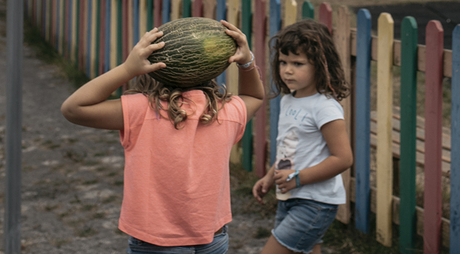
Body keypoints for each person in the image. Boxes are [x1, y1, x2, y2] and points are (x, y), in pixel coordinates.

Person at [61, 20, 265, 254]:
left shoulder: (142, 111)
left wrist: (127, 69)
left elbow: (73, 108)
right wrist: (247, 61)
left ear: (151, 71)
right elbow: (255, 97)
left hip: (157, 243)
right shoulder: (226, 113)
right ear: (210, 70)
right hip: (212, 239)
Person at [252, 20, 353, 254]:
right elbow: (290, 149)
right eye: (283, 62)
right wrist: (270, 176)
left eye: (298, 64)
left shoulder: (325, 107)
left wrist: (297, 178)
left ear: (319, 65)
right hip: (290, 196)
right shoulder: (290, 99)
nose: (287, 70)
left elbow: (343, 158)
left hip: (315, 202)